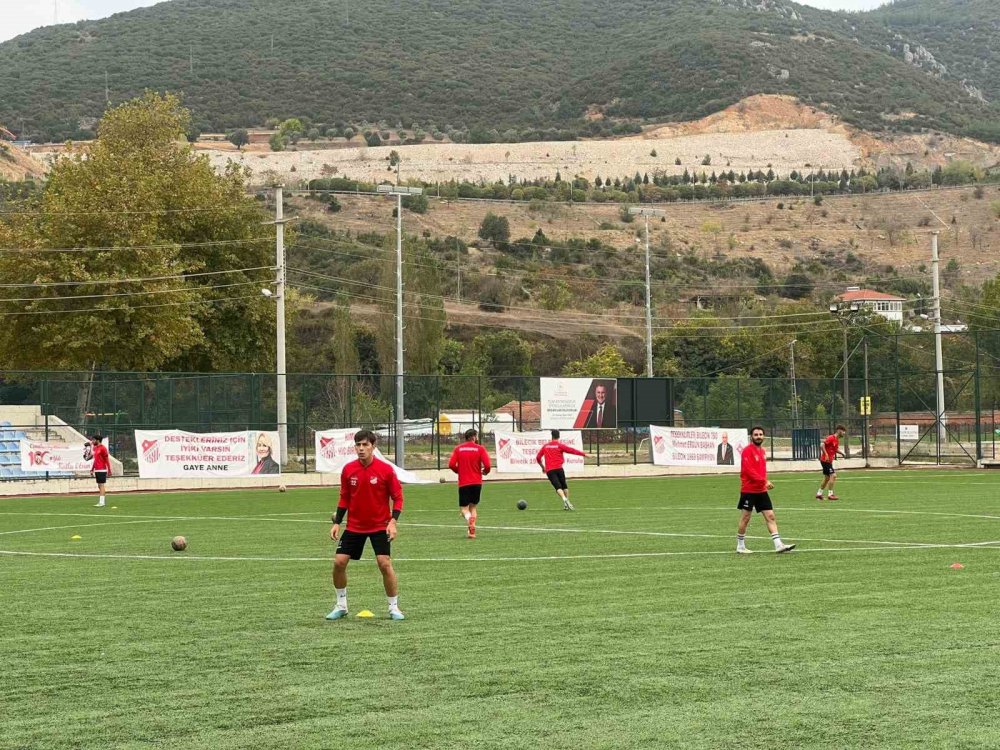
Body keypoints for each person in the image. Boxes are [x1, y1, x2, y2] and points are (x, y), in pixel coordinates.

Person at [327, 429, 405, 621]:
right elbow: (344, 497)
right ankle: (341, 605)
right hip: (354, 526)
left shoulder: (386, 470)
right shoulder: (348, 470)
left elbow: (398, 497)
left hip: (380, 525)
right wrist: (337, 523)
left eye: (365, 445)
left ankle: (394, 607)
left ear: (373, 447)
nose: (361, 449)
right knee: (339, 563)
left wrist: (393, 522)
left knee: (384, 563)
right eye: (358, 445)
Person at [736, 426, 795, 554]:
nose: (759, 436)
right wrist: (765, 481)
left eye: (761, 434)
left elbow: (760, 471)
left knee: (771, 516)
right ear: (751, 437)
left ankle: (778, 545)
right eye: (756, 434)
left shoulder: (762, 451)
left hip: (761, 490)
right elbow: (748, 471)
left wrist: (764, 483)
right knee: (745, 518)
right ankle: (740, 546)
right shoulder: (747, 451)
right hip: (749, 490)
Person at [448, 428, 491, 539]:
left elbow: (451, 464)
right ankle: (471, 532)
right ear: (473, 437)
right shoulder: (480, 449)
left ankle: (469, 520)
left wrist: (459, 471)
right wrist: (485, 472)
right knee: (473, 507)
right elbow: (487, 465)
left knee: (464, 509)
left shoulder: (458, 449)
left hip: (464, 483)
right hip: (477, 482)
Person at [535, 429, 587, 511]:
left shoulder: (545, 446)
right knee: (564, 486)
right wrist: (584, 454)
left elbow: (538, 458)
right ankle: (566, 503)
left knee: (557, 487)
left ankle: (565, 500)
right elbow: (572, 450)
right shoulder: (560, 446)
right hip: (559, 469)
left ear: (552, 436)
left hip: (550, 470)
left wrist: (543, 467)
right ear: (558, 436)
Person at [817, 425, 847, 500]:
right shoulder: (831, 437)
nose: (844, 433)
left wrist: (842, 453)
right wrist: (826, 454)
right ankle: (830, 495)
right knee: (833, 476)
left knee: (827, 478)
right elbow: (822, 445)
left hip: (828, 461)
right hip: (825, 460)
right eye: (843, 431)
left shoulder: (836, 440)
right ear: (839, 430)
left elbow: (835, 449)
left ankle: (819, 494)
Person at [89, 434, 112, 508]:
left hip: (102, 469)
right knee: (99, 485)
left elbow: (106, 460)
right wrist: (92, 469)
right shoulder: (95, 448)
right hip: (97, 470)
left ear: (97, 440)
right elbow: (95, 460)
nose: (92, 441)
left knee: (101, 485)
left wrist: (109, 470)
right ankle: (102, 500)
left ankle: (102, 502)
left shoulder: (103, 448)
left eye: (93, 440)